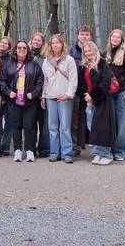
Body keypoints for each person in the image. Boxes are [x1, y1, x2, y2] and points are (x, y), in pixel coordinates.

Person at [0, 40, 44, 163]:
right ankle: (18, 150)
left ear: (27, 50)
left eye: (24, 48)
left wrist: (34, 93)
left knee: (30, 126)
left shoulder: (34, 64)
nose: (22, 50)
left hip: (29, 101)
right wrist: (9, 92)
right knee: (16, 125)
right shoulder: (9, 64)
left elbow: (40, 81)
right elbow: (2, 81)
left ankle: (30, 151)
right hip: (14, 101)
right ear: (15, 49)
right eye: (19, 48)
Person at [41, 34, 78, 164]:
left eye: (58, 42)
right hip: (51, 96)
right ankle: (54, 152)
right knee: (52, 126)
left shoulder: (69, 60)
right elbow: (45, 80)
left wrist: (68, 94)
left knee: (65, 127)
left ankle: (67, 153)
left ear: (62, 44)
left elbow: (74, 79)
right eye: (53, 43)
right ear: (50, 46)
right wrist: (43, 96)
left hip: (65, 97)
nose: (55, 45)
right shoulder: (46, 61)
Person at [81, 41, 116, 165]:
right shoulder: (85, 65)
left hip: (102, 99)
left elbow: (105, 82)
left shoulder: (102, 63)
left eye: (89, 50)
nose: (87, 53)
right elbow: (85, 83)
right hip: (90, 101)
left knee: (102, 128)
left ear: (94, 50)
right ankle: (97, 153)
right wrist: (86, 94)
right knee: (92, 127)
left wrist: (92, 94)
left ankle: (106, 154)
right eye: (85, 51)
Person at [103, 29, 125, 161]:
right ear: (110, 38)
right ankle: (112, 149)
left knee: (124, 123)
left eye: (118, 37)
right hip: (109, 93)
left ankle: (122, 151)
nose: (115, 39)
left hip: (123, 93)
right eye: (113, 37)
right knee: (112, 123)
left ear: (121, 40)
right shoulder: (105, 54)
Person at [69, 25, 93, 156]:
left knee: (89, 119)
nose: (84, 36)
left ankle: (92, 145)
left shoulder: (94, 51)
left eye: (87, 34)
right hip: (76, 91)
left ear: (90, 36)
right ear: (78, 36)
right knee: (75, 121)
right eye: (82, 34)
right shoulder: (71, 52)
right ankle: (75, 147)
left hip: (91, 92)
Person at [29, 32, 49, 157]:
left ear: (43, 43)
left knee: (44, 123)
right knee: (30, 123)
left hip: (42, 94)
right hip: (29, 95)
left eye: (39, 40)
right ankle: (31, 147)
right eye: (34, 40)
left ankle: (44, 148)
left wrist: (44, 94)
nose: (36, 42)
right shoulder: (25, 55)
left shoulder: (46, 58)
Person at [0, 36, 13, 156]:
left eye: (6, 43)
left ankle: (6, 146)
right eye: (2, 42)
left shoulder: (12, 59)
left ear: (9, 47)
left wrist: (7, 93)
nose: (3, 44)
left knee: (9, 121)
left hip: (9, 94)